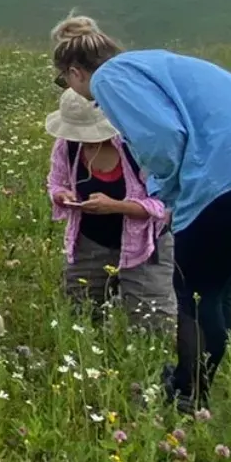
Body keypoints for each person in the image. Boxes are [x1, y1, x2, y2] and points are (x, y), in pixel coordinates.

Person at [50, 15, 231, 413]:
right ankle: (194, 381)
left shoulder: (110, 78)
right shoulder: (152, 62)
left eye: (65, 82)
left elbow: (164, 140)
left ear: (75, 73)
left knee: (194, 291)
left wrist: (167, 194)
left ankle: (186, 394)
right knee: (216, 285)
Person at [44, 87, 174, 330]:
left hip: (146, 245)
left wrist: (116, 206)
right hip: (90, 240)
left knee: (151, 318)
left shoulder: (140, 148)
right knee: (80, 310)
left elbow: (164, 204)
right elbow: (56, 181)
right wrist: (61, 195)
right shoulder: (68, 146)